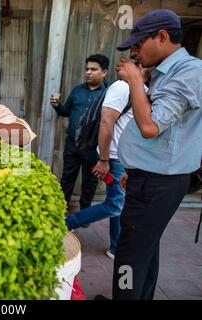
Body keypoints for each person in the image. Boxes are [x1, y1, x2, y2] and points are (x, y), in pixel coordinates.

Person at [111, 9, 202, 300]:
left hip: (159, 183)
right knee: (145, 248)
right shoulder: (169, 72)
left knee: (128, 255)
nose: (135, 52)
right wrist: (134, 167)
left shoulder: (189, 71)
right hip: (151, 176)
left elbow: (150, 126)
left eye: (138, 44)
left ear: (162, 37)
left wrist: (136, 82)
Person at [66, 62, 152, 260]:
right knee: (115, 205)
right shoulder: (123, 87)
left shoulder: (143, 89)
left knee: (118, 203)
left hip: (126, 158)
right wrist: (104, 160)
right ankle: (67, 223)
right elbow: (106, 121)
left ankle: (116, 246)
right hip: (114, 157)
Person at [51, 54, 110, 212]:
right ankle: (60, 209)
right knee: (67, 178)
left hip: (93, 146)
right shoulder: (77, 91)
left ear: (104, 72)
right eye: (87, 69)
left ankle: (85, 210)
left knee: (90, 181)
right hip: (73, 143)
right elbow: (66, 112)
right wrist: (57, 106)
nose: (88, 72)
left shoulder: (109, 94)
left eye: (93, 69)